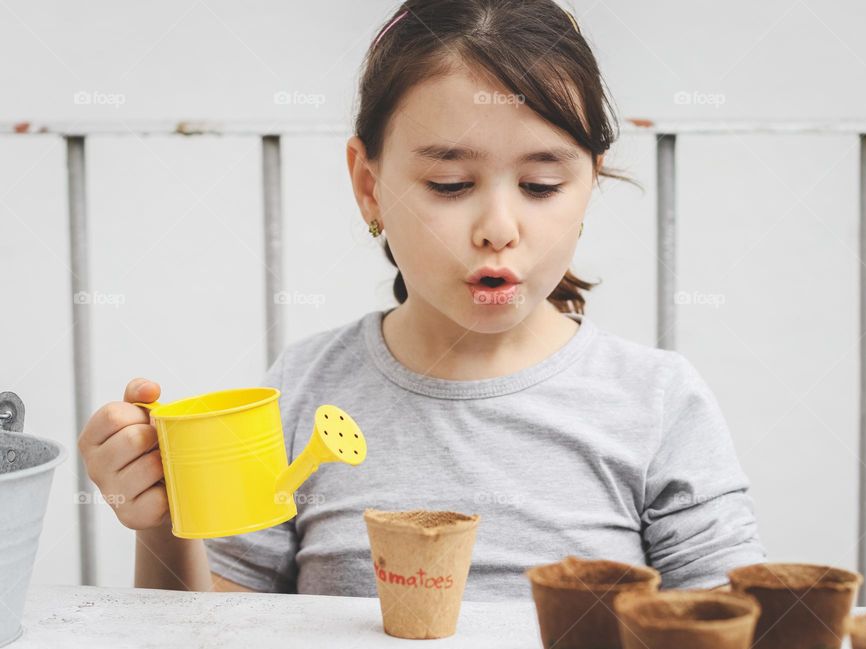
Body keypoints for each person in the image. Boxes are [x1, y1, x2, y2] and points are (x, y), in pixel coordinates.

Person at [77, 0, 765, 600]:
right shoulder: (304, 393)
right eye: (450, 184)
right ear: (370, 185)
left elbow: (730, 635)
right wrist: (167, 521)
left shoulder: (658, 403)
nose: (499, 228)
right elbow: (209, 648)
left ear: (590, 184)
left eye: (542, 185)